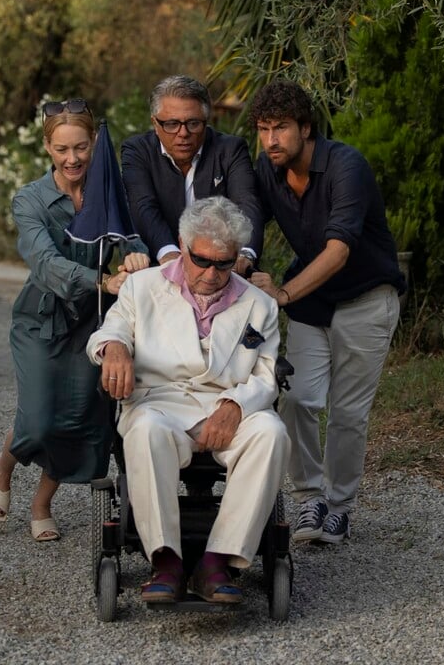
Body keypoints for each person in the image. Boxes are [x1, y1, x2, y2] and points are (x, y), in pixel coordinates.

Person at [87, 196, 288, 604]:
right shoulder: (143, 287)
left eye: (224, 264)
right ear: (182, 243)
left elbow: (266, 376)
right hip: (160, 403)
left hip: (225, 404)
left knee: (272, 432)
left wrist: (235, 406)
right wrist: (114, 348)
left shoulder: (260, 304)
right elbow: (109, 332)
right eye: (202, 261)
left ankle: (217, 562)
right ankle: (166, 561)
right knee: (143, 430)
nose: (213, 274)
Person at [244, 80, 405, 545]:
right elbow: (249, 218)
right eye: (263, 129)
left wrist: (284, 294)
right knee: (297, 398)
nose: (271, 139)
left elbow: (338, 252)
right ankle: (310, 498)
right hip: (315, 304)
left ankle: (339, 507)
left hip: (366, 299)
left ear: (306, 128)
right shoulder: (268, 169)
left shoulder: (345, 167)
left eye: (281, 128)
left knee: (348, 414)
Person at [0, 98, 150, 542]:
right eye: (61, 149)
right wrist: (102, 281)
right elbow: (45, 264)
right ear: (46, 147)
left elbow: (132, 235)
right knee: (39, 419)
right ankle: (6, 460)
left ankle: (42, 503)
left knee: (80, 415)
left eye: (80, 147)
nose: (73, 159)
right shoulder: (30, 200)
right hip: (42, 320)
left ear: (94, 142)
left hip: (93, 324)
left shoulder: (108, 192)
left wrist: (137, 254)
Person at [121, 75, 263, 275]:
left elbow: (247, 202)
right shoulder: (137, 151)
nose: (183, 133)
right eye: (171, 124)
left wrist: (245, 255)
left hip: (223, 269)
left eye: (193, 123)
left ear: (206, 121)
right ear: (155, 123)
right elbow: (143, 206)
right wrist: (169, 254)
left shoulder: (230, 149)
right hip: (161, 269)